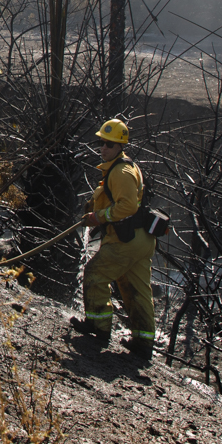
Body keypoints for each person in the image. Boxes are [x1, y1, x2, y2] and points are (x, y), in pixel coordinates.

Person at [70, 117, 157, 359]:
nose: (103, 148)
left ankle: (98, 327)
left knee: (96, 273)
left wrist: (99, 217)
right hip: (140, 240)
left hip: (125, 240)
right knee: (136, 289)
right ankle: (143, 342)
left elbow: (127, 206)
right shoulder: (123, 168)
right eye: (102, 143)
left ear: (120, 146)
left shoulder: (120, 172)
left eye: (109, 144)